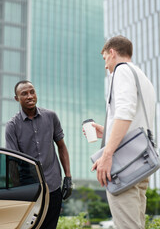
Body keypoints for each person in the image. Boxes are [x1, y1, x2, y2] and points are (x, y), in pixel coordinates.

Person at [88, 36, 155, 229]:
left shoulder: (122, 71)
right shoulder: (141, 76)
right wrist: (107, 131)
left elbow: (125, 112)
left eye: (104, 59)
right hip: (140, 160)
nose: (105, 66)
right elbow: (135, 118)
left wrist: (107, 154)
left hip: (124, 165)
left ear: (112, 53)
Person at [5, 80, 72, 229]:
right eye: (24, 94)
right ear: (17, 98)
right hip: (30, 190)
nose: (29, 96)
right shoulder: (12, 126)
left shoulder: (51, 117)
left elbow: (61, 147)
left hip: (53, 186)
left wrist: (68, 177)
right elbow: (12, 162)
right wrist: (17, 193)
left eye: (32, 92)